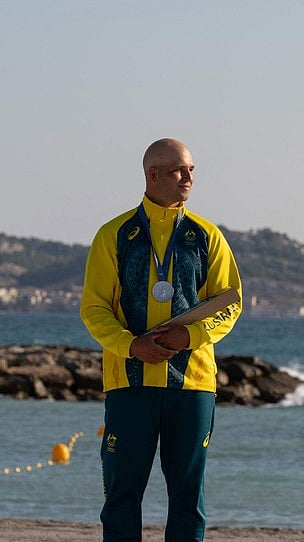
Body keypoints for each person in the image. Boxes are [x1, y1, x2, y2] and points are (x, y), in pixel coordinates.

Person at [80, 138, 242, 541]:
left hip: (191, 386)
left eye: (191, 170)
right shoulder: (113, 235)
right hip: (128, 385)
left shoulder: (207, 235)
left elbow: (230, 304)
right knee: (121, 496)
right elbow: (94, 309)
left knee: (188, 498)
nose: (188, 178)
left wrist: (190, 335)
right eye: (178, 170)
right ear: (153, 174)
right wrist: (131, 346)